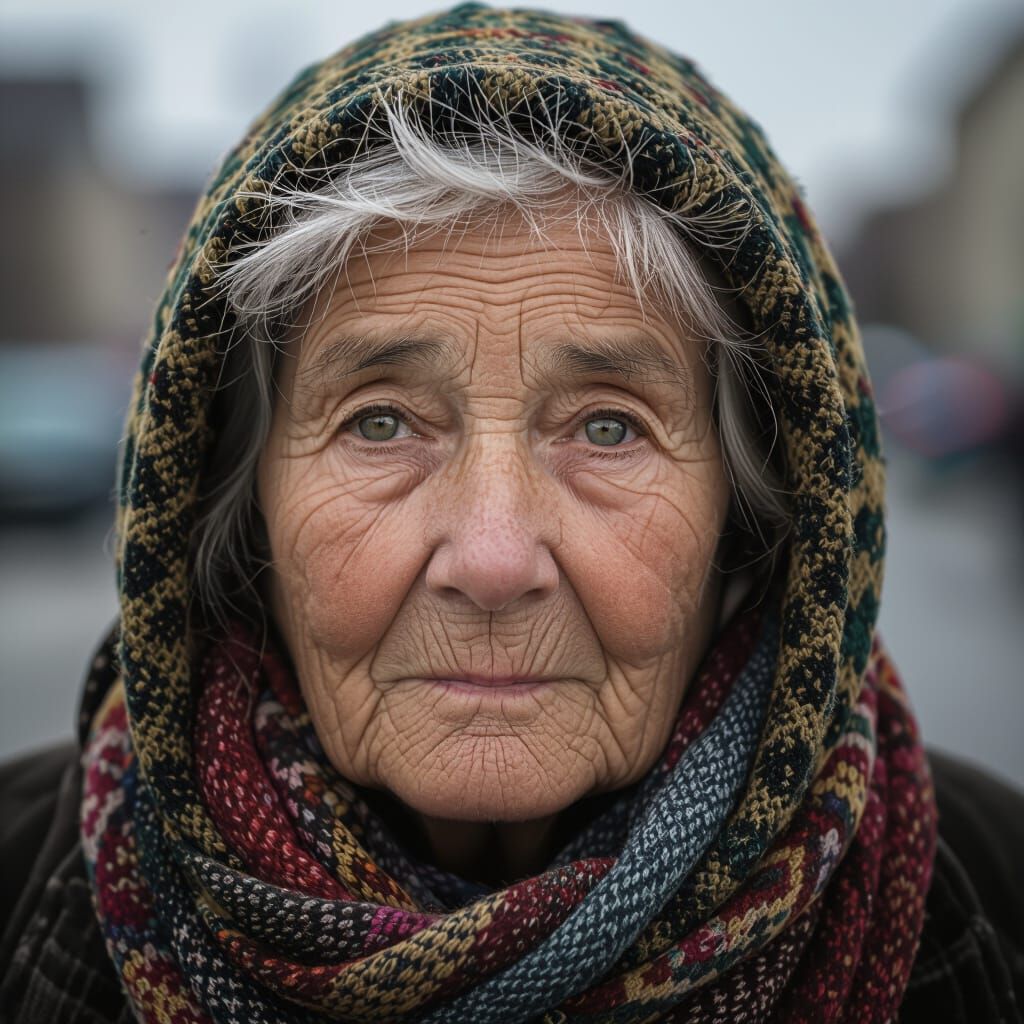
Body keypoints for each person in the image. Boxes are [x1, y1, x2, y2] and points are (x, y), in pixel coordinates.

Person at [1, 4, 1021, 1022]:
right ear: (239, 507)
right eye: (382, 422)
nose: (492, 558)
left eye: (609, 428)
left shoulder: (990, 893)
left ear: (753, 518)